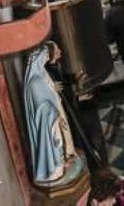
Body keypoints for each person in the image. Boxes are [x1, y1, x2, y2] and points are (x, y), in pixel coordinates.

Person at [24, 41, 80, 185]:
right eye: (44, 57)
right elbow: (42, 108)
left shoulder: (41, 75)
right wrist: (55, 116)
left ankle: (58, 165)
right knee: (52, 143)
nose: (46, 60)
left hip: (53, 119)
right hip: (48, 121)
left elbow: (49, 96)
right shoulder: (34, 82)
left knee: (57, 143)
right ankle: (50, 171)